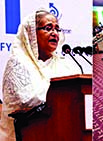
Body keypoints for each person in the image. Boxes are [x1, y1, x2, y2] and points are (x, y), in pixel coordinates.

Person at [0, 9, 80, 140]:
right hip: (28, 133)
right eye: (48, 28)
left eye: (57, 29)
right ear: (31, 33)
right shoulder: (18, 63)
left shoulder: (65, 64)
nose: (54, 33)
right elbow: (24, 100)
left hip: (64, 129)